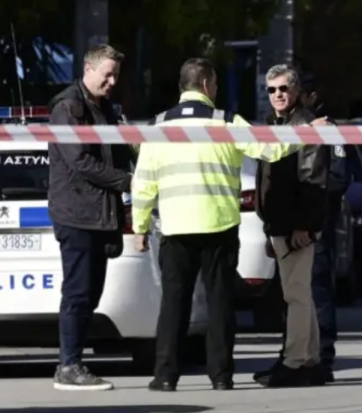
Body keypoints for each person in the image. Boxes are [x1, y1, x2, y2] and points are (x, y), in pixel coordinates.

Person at [130, 58, 303, 392]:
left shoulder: (157, 126)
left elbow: (143, 184)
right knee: (220, 303)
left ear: (183, 86)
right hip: (219, 226)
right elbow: (271, 149)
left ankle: (165, 376)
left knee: (173, 304)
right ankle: (221, 376)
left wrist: (140, 227)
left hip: (176, 228)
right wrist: (307, 134)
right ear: (208, 85)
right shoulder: (227, 121)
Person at [46, 44, 133, 391]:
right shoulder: (69, 106)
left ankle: (73, 362)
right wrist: (126, 181)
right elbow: (80, 160)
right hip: (77, 213)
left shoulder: (105, 107)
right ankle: (69, 366)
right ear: (88, 69)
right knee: (78, 293)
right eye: (107, 75)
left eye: (116, 76)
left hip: (100, 213)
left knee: (91, 294)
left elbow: (116, 153)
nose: (112, 82)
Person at [250, 65, 331, 388]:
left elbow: (313, 180)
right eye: (271, 90)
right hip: (281, 223)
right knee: (299, 294)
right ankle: (310, 360)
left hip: (295, 224)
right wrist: (271, 227)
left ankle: (295, 361)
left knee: (295, 295)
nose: (278, 95)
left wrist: (303, 226)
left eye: (284, 88)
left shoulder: (305, 125)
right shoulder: (275, 124)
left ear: (296, 90)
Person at [297, 72, 347, 382]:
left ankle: (323, 356)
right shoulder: (286, 127)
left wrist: (311, 200)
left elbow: (339, 178)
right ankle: (296, 357)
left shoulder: (330, 131)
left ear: (312, 97)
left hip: (318, 222)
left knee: (318, 288)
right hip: (288, 224)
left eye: (297, 92)